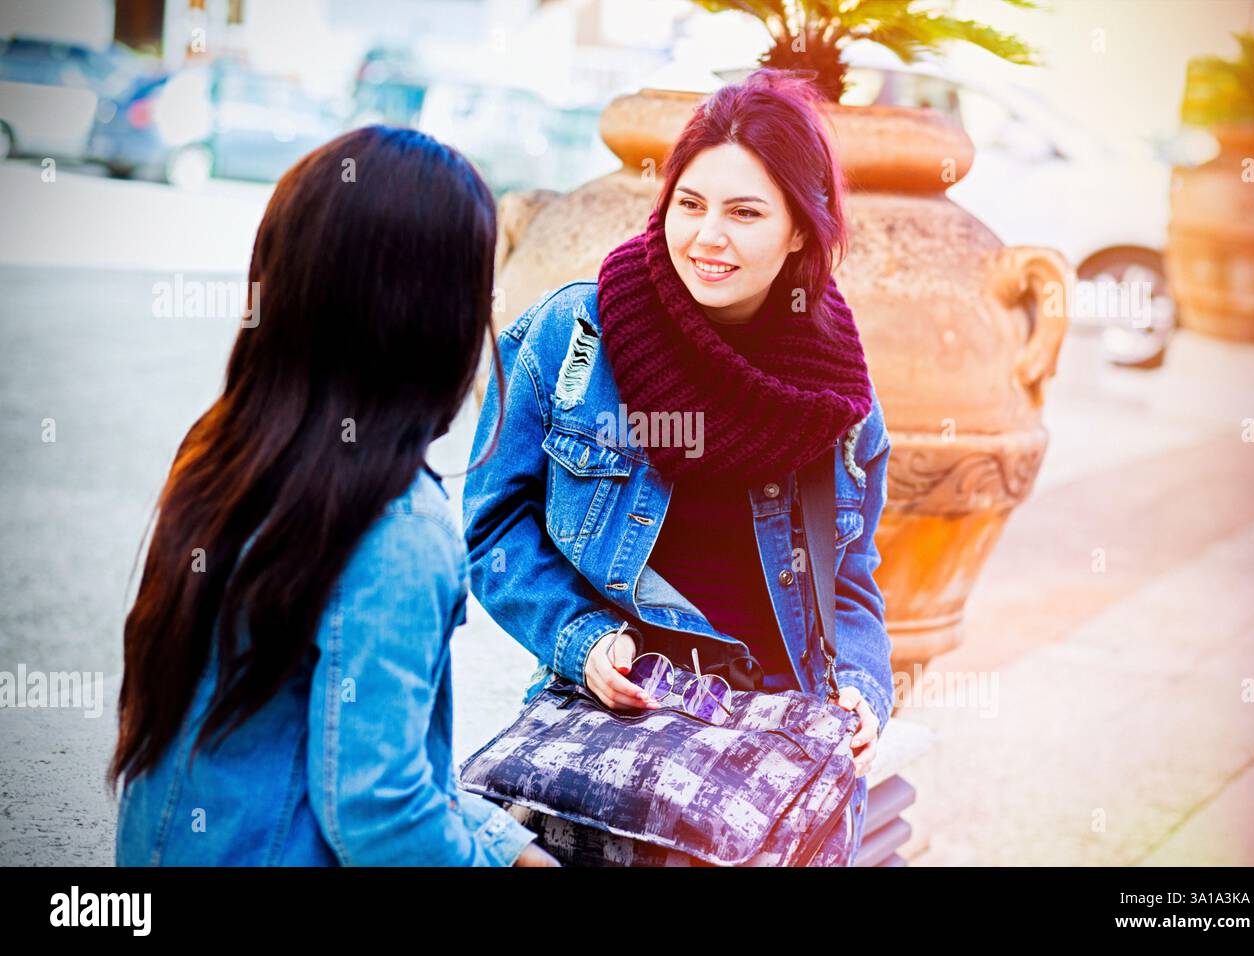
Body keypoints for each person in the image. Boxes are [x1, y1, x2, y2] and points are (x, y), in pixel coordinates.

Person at [462, 69, 894, 864]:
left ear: (801, 230)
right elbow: (491, 525)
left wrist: (865, 687)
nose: (707, 238)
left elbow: (853, 577)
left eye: (745, 213)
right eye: (690, 205)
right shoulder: (573, 338)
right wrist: (580, 639)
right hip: (608, 712)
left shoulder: (836, 393)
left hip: (777, 735)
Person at [110, 125, 555, 867]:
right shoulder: (399, 527)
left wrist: (502, 842)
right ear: (432, 321)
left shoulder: (223, 453)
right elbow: (380, 816)